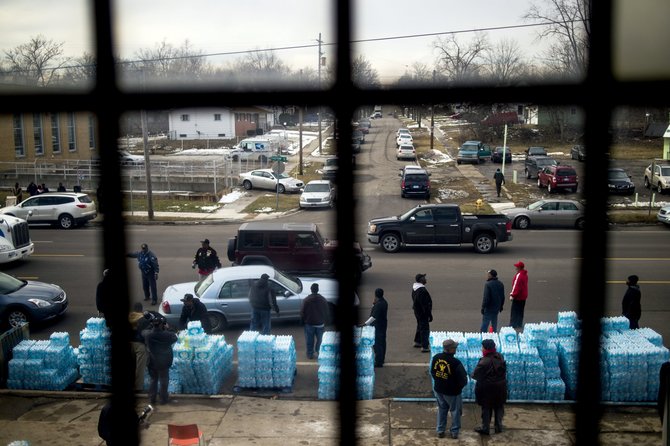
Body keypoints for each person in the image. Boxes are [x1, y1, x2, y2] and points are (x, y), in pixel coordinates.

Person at [430, 339, 468, 439]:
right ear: (450, 349)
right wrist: (458, 388)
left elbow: (433, 372)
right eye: (454, 347)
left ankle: (440, 430)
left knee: (442, 409)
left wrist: (439, 381)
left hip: (439, 389)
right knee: (455, 411)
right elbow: (463, 378)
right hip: (452, 392)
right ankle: (454, 432)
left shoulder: (436, 358)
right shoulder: (455, 362)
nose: (456, 349)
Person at [472, 339, 507, 435]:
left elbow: (475, 375)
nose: (481, 349)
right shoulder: (500, 356)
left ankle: (485, 428)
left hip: (487, 389)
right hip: (500, 387)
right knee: (499, 406)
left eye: (482, 347)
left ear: (486, 349)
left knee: (486, 408)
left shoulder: (484, 362)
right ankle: (498, 427)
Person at [142, 313, 177, 405]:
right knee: (164, 379)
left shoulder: (148, 335)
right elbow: (175, 337)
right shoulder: (167, 335)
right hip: (164, 361)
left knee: (153, 379)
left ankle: (152, 399)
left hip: (152, 360)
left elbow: (143, 331)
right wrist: (168, 328)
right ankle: (163, 399)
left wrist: (151, 324)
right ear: (162, 325)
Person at [360, 288, 389, 367]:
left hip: (378, 326)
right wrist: (374, 304)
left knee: (378, 344)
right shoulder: (384, 302)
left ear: (375, 295)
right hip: (383, 325)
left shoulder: (379, 304)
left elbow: (373, 317)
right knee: (382, 343)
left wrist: (365, 324)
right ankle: (382, 359)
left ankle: (379, 362)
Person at [300, 283, 329, 359]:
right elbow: (327, 311)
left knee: (310, 340)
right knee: (320, 339)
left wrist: (302, 321)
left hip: (309, 324)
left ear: (311, 289)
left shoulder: (306, 300)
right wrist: (325, 320)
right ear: (318, 290)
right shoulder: (323, 299)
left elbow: (302, 312)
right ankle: (319, 351)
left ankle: (310, 354)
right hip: (320, 324)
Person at [129, 302, 151, 392]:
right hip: (139, 345)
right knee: (140, 368)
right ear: (141, 310)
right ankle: (138, 389)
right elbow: (146, 334)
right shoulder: (143, 319)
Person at [412, 273, 433, 353]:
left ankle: (418, 341)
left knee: (420, 325)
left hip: (417, 311)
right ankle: (425, 346)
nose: (426, 279)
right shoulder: (422, 291)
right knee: (425, 328)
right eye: (424, 278)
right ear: (421, 280)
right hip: (422, 313)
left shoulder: (415, 288)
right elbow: (425, 305)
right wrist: (429, 315)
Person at [509, 261, 528, 331]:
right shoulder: (525, 274)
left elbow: (516, 286)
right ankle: (519, 323)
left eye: (517, 267)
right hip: (523, 296)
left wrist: (512, 295)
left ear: (519, 267)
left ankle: (513, 324)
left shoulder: (519, 275)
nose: (515, 268)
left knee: (514, 311)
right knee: (520, 311)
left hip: (518, 297)